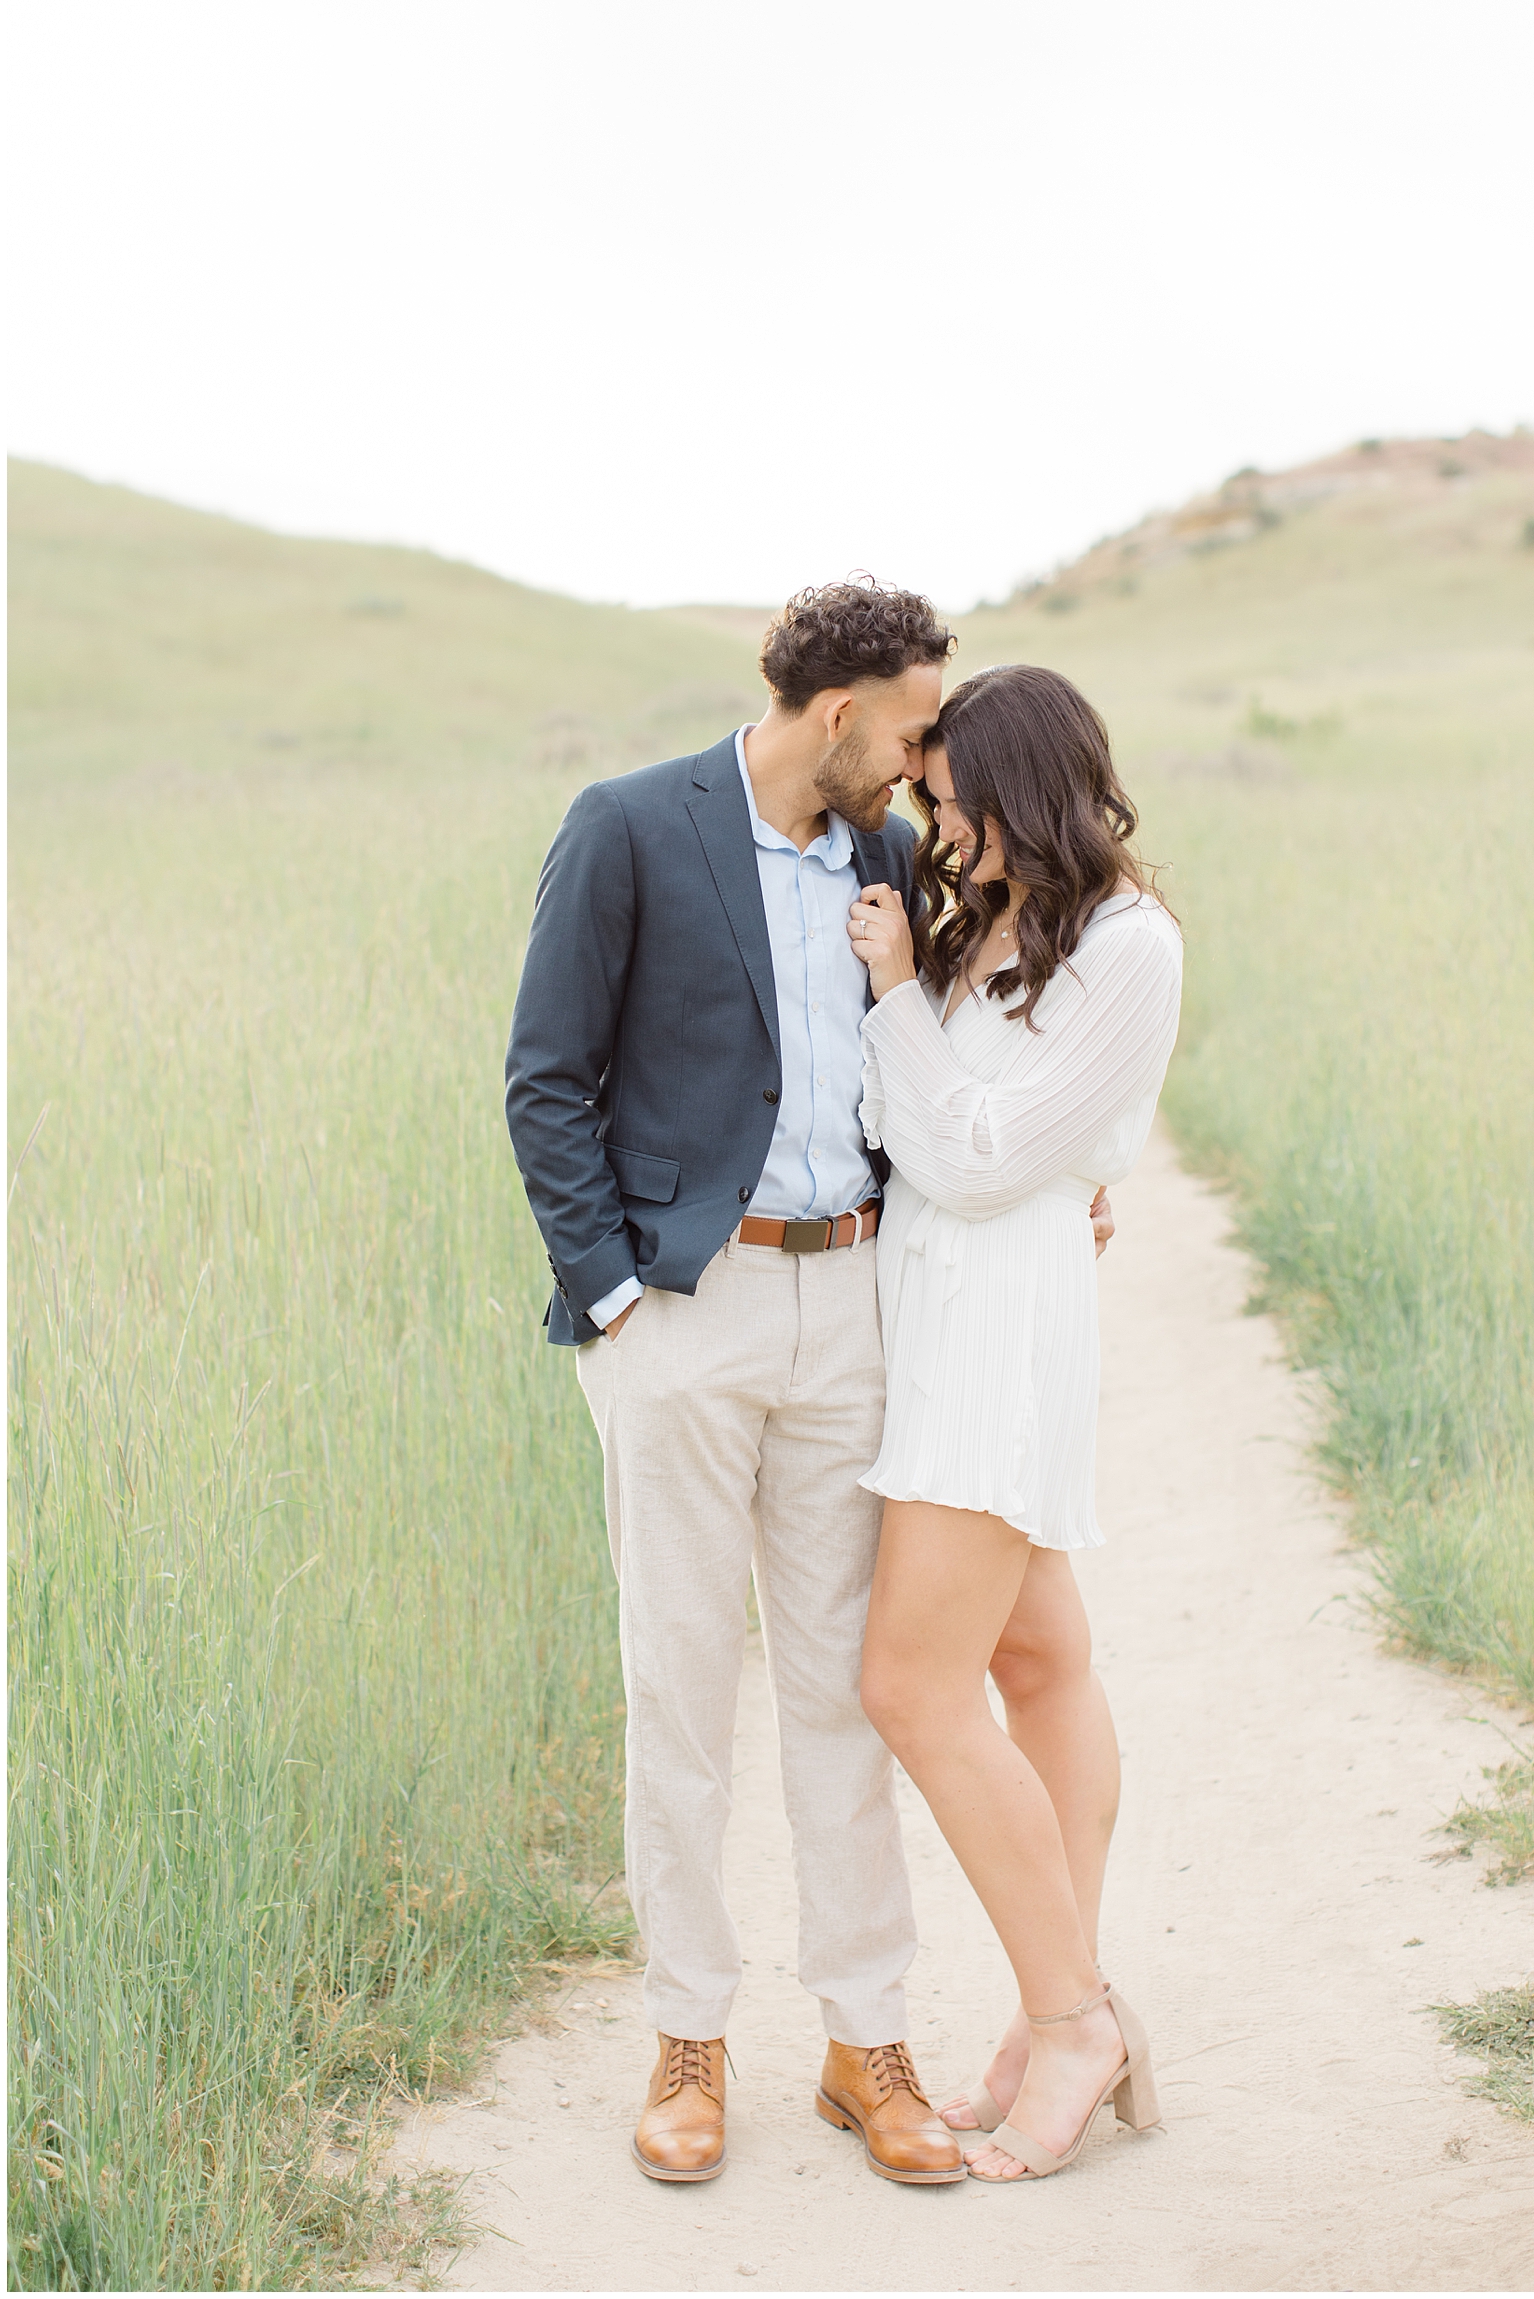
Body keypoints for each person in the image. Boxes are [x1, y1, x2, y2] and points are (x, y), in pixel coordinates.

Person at [503, 580, 969, 2187]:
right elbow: (545, 1079)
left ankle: (865, 2039)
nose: (922, 766)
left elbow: (956, 1060)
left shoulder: (894, 859)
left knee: (848, 1689)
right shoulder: (629, 826)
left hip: (853, 1308)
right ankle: (689, 2033)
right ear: (837, 714)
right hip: (684, 1320)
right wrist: (620, 1301)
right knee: (681, 1686)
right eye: (910, 730)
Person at [845, 661, 1183, 2184]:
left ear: (1024, 781)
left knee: (911, 1686)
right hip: (936, 1320)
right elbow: (922, 1137)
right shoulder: (985, 927)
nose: (935, 820)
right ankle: (1070, 1996)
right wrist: (940, 1069)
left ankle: (1070, 2014)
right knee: (1038, 1660)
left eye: (952, 794)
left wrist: (894, 1008)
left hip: (997, 1339)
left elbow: (983, 1157)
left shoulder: (1130, 946)